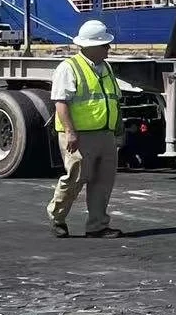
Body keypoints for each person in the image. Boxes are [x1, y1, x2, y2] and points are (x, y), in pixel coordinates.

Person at [46, 19, 124, 238]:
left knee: (103, 180)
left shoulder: (106, 68)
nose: (108, 48)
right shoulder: (68, 68)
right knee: (74, 178)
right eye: (104, 45)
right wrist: (70, 132)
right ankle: (57, 217)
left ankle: (97, 226)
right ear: (91, 46)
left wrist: (118, 128)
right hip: (79, 136)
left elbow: (113, 99)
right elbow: (60, 102)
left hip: (104, 134)